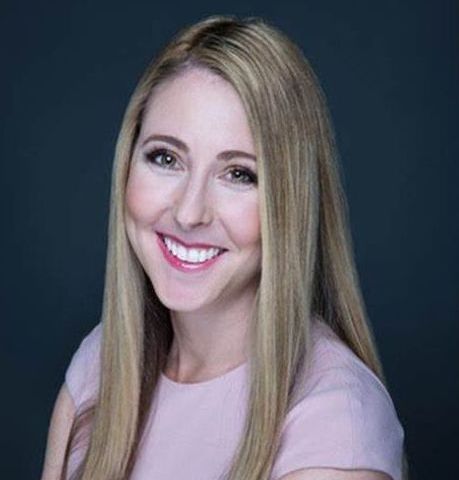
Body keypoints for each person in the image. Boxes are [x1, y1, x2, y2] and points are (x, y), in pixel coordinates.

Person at [40, 14, 408, 480]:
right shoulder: (101, 366)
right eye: (166, 158)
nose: (190, 213)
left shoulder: (334, 431)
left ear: (289, 204)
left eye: (239, 174)